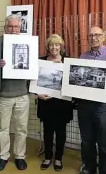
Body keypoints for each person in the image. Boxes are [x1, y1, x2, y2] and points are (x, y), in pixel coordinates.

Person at [77, 27, 106, 174]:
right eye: (90, 35)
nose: (93, 38)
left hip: (104, 106)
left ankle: (104, 170)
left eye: (97, 35)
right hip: (85, 104)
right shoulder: (83, 56)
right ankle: (89, 167)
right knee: (86, 140)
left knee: (103, 142)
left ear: (104, 36)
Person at [0, 14, 30, 171]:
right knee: (2, 128)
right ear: (5, 27)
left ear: (20, 27)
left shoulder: (28, 43)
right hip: (3, 95)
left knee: (21, 128)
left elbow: (32, 66)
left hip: (22, 94)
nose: (13, 29)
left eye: (16, 27)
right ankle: (3, 156)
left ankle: (20, 156)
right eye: (10, 26)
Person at [37, 34, 74, 172]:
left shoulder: (68, 61)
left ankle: (58, 158)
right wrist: (37, 94)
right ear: (48, 47)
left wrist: (63, 69)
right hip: (45, 102)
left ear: (61, 46)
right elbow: (33, 81)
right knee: (47, 132)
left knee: (60, 132)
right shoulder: (40, 61)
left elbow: (73, 81)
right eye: (51, 45)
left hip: (62, 103)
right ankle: (47, 157)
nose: (54, 47)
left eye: (57, 44)